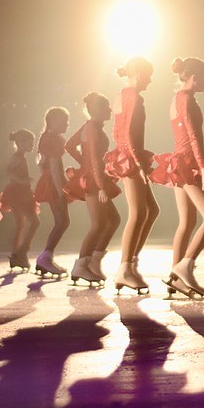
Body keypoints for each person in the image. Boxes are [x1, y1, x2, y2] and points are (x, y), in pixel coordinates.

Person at [151, 57, 204, 299]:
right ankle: (184, 268)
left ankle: (175, 277)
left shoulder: (177, 98)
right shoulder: (187, 100)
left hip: (178, 162)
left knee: (187, 222)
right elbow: (193, 136)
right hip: (187, 163)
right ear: (193, 76)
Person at [106, 57, 159, 294]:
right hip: (130, 158)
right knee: (138, 213)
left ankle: (130, 264)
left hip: (129, 155)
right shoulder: (133, 97)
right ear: (137, 73)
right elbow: (127, 133)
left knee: (151, 210)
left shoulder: (123, 94)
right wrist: (137, 164)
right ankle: (125, 268)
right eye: (148, 75)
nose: (150, 80)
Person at [64, 93, 122, 287]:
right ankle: (81, 265)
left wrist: (84, 163)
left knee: (113, 220)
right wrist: (97, 180)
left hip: (94, 176)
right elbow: (95, 160)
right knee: (99, 224)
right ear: (96, 109)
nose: (110, 110)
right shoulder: (92, 128)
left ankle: (93, 262)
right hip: (94, 181)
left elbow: (70, 145)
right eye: (106, 106)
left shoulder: (89, 126)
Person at [33, 107, 71, 277]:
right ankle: (45, 256)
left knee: (62, 222)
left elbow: (42, 165)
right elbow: (55, 168)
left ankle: (46, 257)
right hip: (54, 183)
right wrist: (61, 192)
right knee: (62, 221)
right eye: (64, 120)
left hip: (51, 181)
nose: (67, 124)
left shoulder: (46, 138)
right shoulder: (53, 140)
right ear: (54, 121)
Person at [0, 129, 40, 272]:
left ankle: (17, 255)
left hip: (20, 192)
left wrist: (24, 180)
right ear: (21, 143)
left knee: (21, 224)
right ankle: (21, 252)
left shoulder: (21, 157)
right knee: (34, 222)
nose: (32, 145)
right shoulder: (17, 157)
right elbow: (8, 171)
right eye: (30, 143)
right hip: (19, 194)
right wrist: (22, 180)